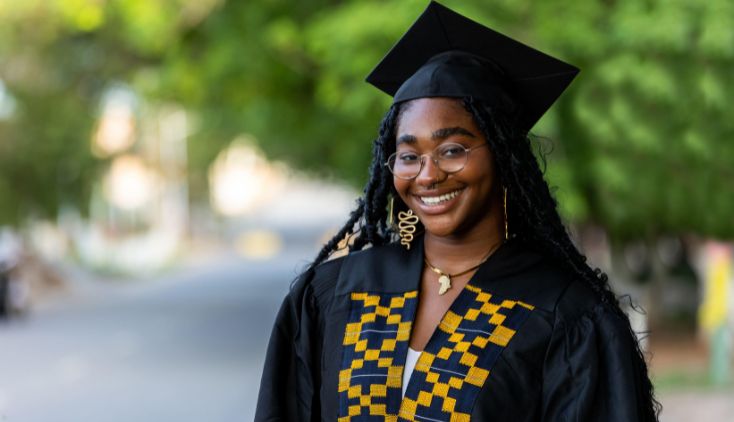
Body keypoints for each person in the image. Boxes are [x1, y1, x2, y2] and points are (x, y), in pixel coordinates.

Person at [255, 2, 660, 421]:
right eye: (409, 155)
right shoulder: (333, 293)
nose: (428, 175)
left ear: (503, 157)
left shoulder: (563, 314)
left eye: (452, 150)